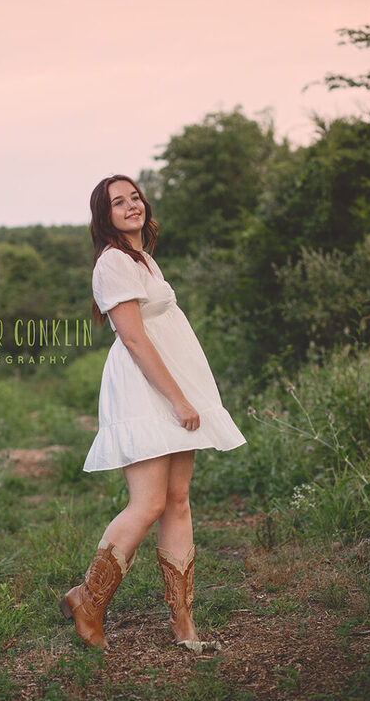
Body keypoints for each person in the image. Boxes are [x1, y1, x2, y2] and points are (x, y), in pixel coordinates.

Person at [59, 174, 246, 653]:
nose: (131, 205)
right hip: (146, 390)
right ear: (105, 216)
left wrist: (186, 392)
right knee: (147, 504)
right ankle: (88, 600)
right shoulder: (113, 262)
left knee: (178, 499)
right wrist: (178, 399)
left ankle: (183, 620)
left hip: (175, 381)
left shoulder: (143, 257)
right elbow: (135, 339)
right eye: (118, 202)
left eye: (135, 197)